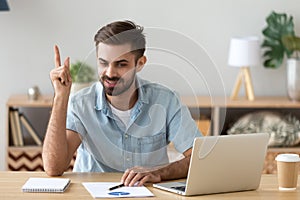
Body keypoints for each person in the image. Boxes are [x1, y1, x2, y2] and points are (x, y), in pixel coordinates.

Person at [42, 20, 202, 186]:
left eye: (121, 64)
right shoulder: (81, 104)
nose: (110, 73)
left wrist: (159, 172)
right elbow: (54, 167)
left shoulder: (166, 101)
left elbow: (199, 159)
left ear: (140, 63)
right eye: (103, 63)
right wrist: (60, 96)